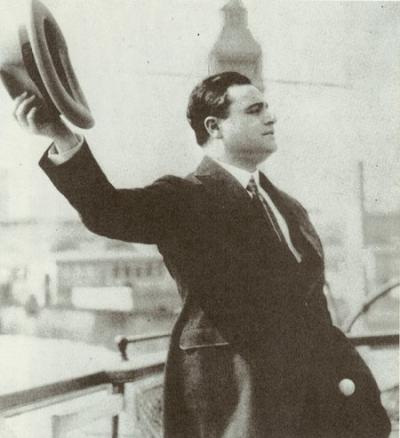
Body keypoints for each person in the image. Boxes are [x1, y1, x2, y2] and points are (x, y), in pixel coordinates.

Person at [13, 72, 390, 437]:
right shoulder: (185, 198)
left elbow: (313, 311)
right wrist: (60, 134)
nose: (271, 116)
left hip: (314, 408)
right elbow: (106, 210)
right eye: (255, 109)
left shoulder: (288, 207)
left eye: (267, 107)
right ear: (214, 127)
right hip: (240, 410)